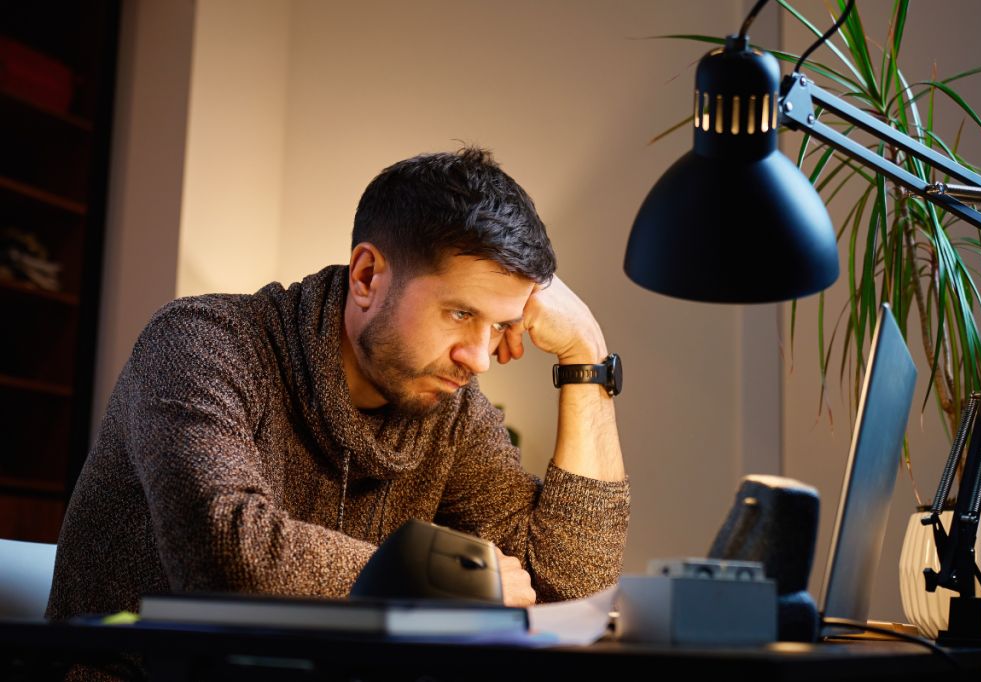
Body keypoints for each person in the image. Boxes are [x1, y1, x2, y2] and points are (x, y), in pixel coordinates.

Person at [46, 147, 629, 624]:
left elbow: (568, 591)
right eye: (459, 314)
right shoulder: (201, 344)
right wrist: (437, 578)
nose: (478, 357)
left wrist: (587, 361)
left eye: (500, 326)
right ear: (368, 276)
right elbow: (223, 552)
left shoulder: (449, 409)